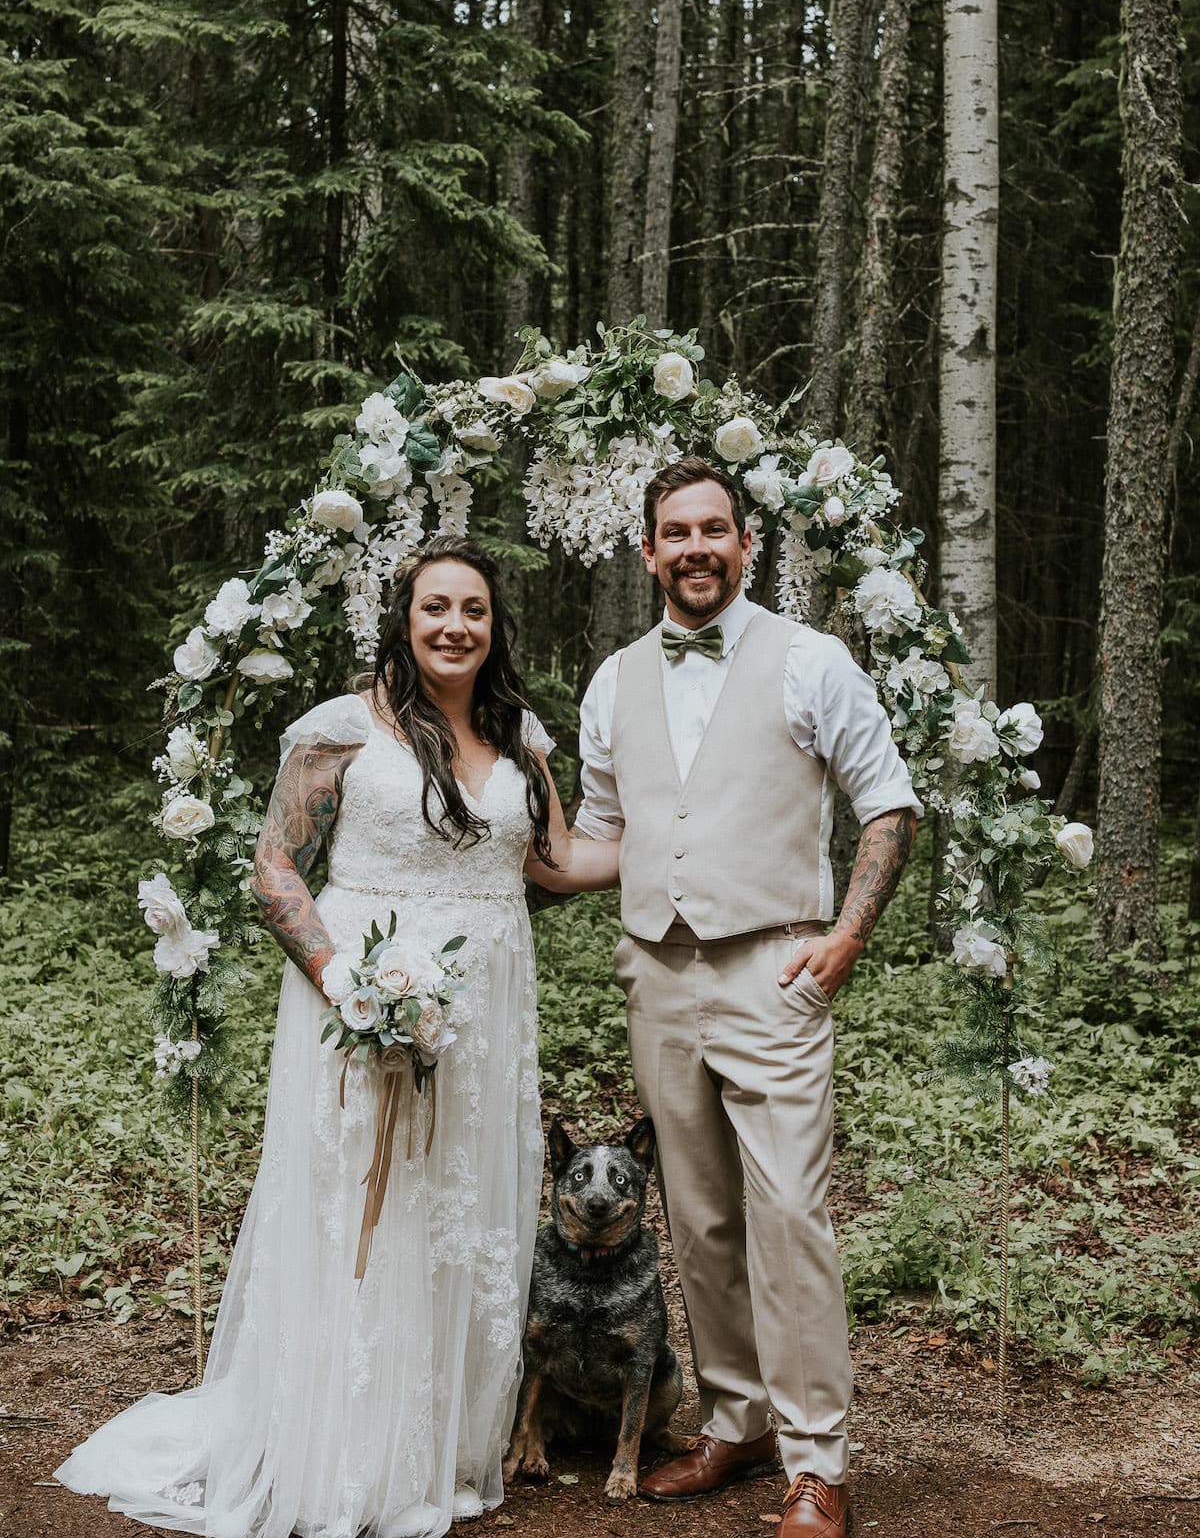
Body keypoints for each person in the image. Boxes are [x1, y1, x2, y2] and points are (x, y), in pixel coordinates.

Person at [55, 538, 618, 1538]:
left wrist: (683, 836)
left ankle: (431, 1441)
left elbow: (556, 859)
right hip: (362, 1001)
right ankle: (346, 1449)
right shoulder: (343, 730)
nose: (455, 625)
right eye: (436, 606)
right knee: (369, 1212)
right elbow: (277, 867)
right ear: (403, 616)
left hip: (486, 1010)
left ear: (496, 627)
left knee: (456, 1214)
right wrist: (349, 988)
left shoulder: (519, 736)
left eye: (475, 610)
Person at [570, 457, 920, 1538]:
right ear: (647, 552)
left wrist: (849, 935)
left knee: (790, 1214)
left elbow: (890, 804)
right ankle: (736, 1420)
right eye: (675, 533)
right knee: (701, 1214)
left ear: (746, 543)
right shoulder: (612, 679)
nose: (695, 550)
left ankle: (818, 1459)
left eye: (714, 530)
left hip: (776, 967)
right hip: (657, 976)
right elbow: (600, 837)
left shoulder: (812, 662)